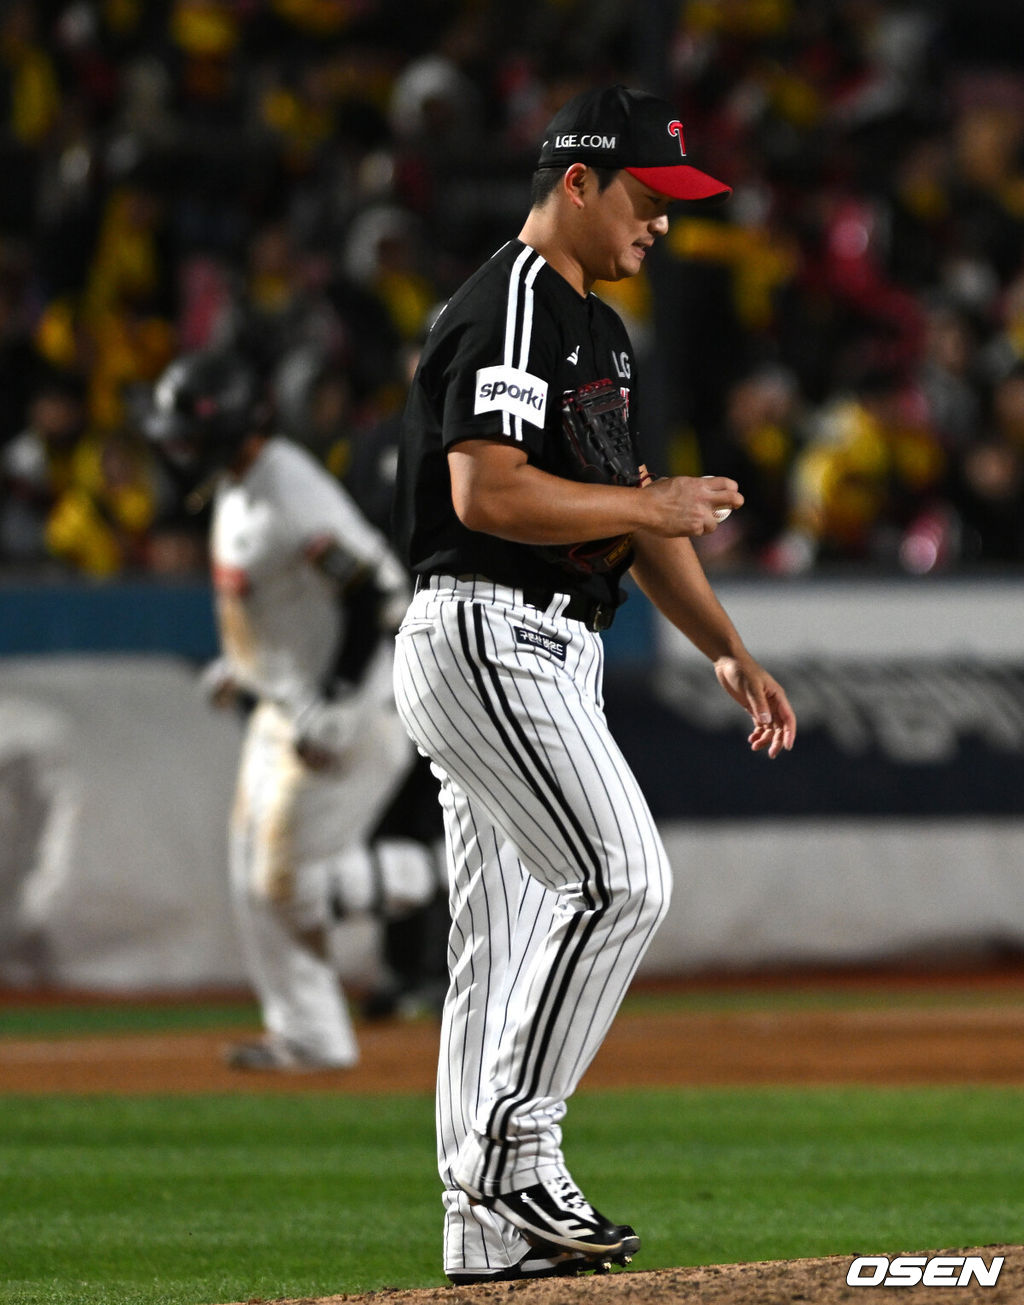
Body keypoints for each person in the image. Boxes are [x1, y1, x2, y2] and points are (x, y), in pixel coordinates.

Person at [390, 84, 797, 1284]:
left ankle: (489, 1235)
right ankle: (516, 1152)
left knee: (497, 946)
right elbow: (487, 494)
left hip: (542, 640)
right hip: (487, 629)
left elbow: (636, 518)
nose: (664, 221)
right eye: (648, 194)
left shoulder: (599, 330)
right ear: (576, 182)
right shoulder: (512, 302)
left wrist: (722, 641)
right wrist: (644, 504)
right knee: (619, 876)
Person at [144, 346, 437, 1070]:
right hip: (286, 705)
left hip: (351, 712)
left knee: (288, 886)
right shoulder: (240, 482)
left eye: (189, 428)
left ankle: (438, 873)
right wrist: (247, 667)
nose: (178, 445)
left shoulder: (289, 488)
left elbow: (380, 591)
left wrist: (340, 696)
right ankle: (311, 1033)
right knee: (254, 877)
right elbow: (282, 603)